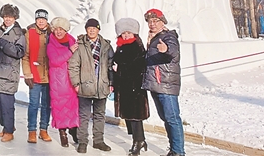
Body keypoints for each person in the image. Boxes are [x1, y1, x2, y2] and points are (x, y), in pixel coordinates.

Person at [68, 18, 114, 153]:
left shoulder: (106, 46)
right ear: (86, 30)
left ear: (98, 30)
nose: (92, 30)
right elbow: (73, 66)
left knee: (100, 115)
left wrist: (111, 83)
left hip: (101, 86)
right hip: (85, 86)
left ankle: (98, 141)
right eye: (89, 28)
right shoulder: (80, 45)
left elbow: (111, 66)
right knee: (84, 115)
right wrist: (76, 83)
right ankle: (82, 141)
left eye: (94, 28)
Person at [143, 8, 184, 156]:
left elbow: (173, 50)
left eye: (156, 21)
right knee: (166, 118)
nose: (152, 24)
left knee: (172, 118)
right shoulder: (152, 38)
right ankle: (173, 149)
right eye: (150, 21)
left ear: (163, 22)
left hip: (166, 84)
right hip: (157, 84)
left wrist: (166, 49)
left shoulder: (168, 36)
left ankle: (178, 152)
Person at [0, 4, 26, 143]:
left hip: (9, 73)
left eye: (10, 17)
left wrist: (4, 44)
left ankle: (9, 131)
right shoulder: (0, 30)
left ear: (15, 18)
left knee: (6, 104)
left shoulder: (18, 33)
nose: (7, 19)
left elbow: (20, 52)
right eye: (5, 16)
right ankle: (7, 126)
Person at [113, 17, 150, 156]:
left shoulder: (136, 46)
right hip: (124, 87)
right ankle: (139, 139)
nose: (126, 35)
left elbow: (137, 67)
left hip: (134, 88)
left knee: (135, 116)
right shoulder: (121, 46)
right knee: (130, 116)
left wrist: (119, 69)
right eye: (123, 33)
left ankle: (138, 141)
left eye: (128, 32)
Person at [47, 16, 79, 147]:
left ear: (66, 30)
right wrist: (69, 51)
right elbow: (55, 61)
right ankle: (62, 132)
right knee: (60, 107)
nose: (58, 32)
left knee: (73, 107)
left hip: (71, 79)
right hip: (58, 81)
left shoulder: (72, 41)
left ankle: (74, 129)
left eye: (61, 29)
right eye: (56, 29)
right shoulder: (51, 44)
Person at [21, 9, 53, 144]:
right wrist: (27, 74)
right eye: (38, 19)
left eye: (43, 19)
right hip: (35, 75)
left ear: (47, 21)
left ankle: (44, 130)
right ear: (35, 20)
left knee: (47, 105)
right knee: (34, 104)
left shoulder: (52, 33)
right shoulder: (30, 33)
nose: (41, 21)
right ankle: (32, 130)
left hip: (50, 76)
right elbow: (25, 56)